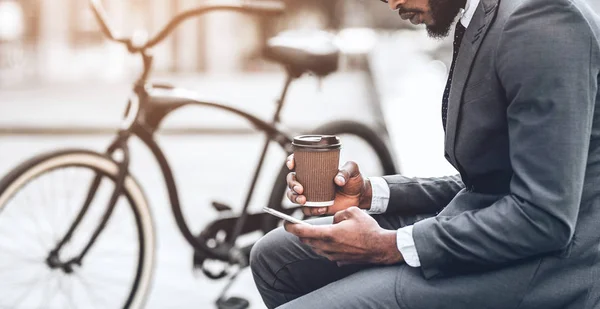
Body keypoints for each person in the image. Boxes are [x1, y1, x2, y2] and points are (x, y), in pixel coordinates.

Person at [250, 0, 600, 307]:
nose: (392, 3)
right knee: (275, 257)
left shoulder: (544, 19)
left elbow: (543, 218)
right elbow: (486, 182)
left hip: (543, 269)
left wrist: (388, 246)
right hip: (487, 226)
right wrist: (370, 194)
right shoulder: (483, 13)